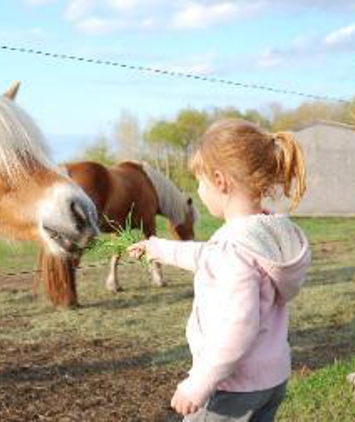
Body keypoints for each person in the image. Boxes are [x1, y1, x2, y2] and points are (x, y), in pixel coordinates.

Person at [128, 119, 312, 421]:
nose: (199, 190)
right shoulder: (263, 235)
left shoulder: (232, 249)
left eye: (200, 182)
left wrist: (198, 384)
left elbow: (239, 326)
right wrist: (158, 248)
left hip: (232, 386)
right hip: (271, 378)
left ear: (220, 181)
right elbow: (207, 256)